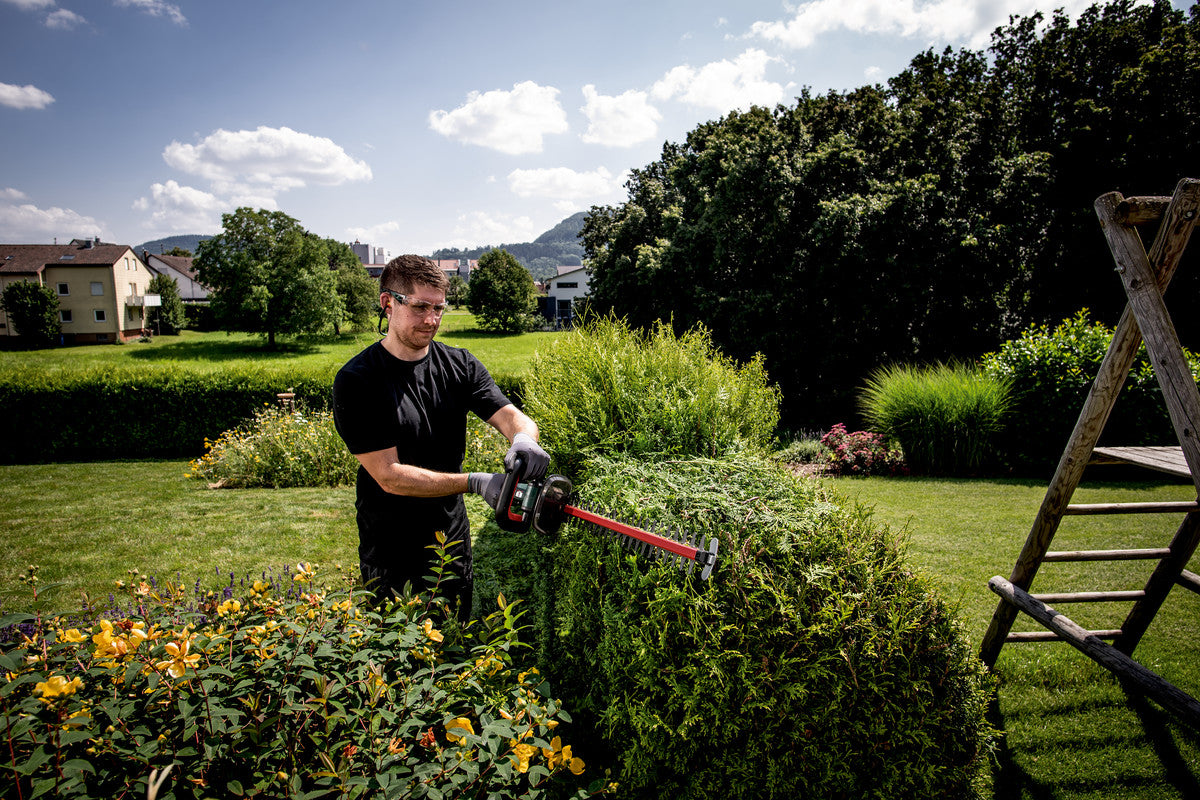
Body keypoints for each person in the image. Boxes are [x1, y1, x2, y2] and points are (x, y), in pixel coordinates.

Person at [332, 254, 548, 618]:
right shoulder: (358, 380)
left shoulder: (459, 365)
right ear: (388, 303)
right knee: (397, 648)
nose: (431, 320)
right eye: (420, 307)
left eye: (439, 309)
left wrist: (524, 439)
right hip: (391, 551)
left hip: (451, 542)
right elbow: (388, 475)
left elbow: (511, 416)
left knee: (456, 641)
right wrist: (475, 482)